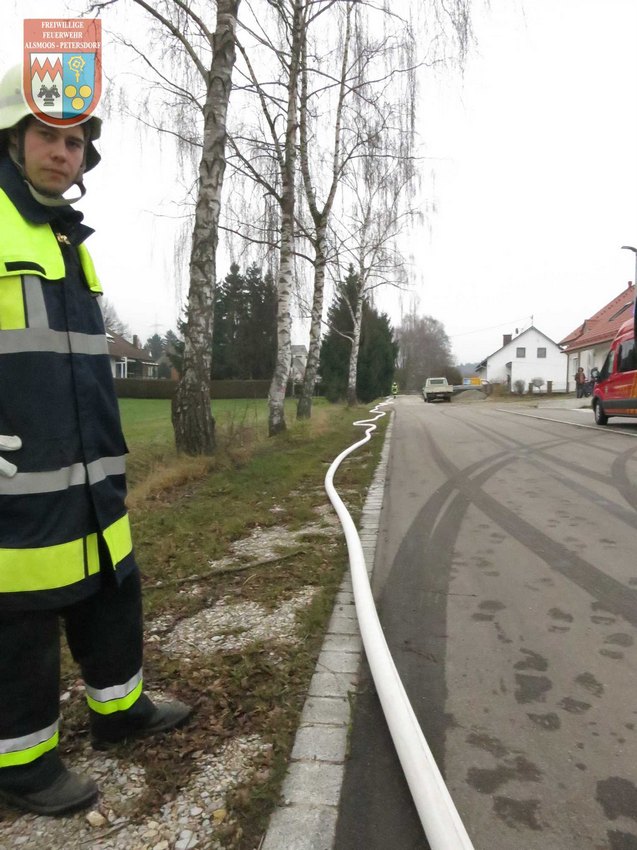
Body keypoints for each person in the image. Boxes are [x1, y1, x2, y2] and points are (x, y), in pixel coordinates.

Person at [0, 64, 191, 817]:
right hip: (17, 482)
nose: (63, 151)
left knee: (112, 594)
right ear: (14, 140)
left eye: (76, 141)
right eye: (48, 135)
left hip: (90, 479)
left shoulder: (68, 240)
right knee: (19, 624)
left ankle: (119, 713)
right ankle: (23, 764)